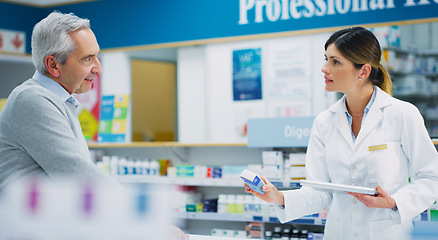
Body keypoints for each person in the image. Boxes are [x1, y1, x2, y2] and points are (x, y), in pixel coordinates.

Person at [245, 27, 438, 240]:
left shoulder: (402, 114)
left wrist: (395, 202)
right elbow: (319, 190)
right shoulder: (324, 122)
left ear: (363, 72)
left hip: (388, 233)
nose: (324, 68)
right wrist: (279, 198)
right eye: (326, 59)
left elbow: (431, 177)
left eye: (335, 62)